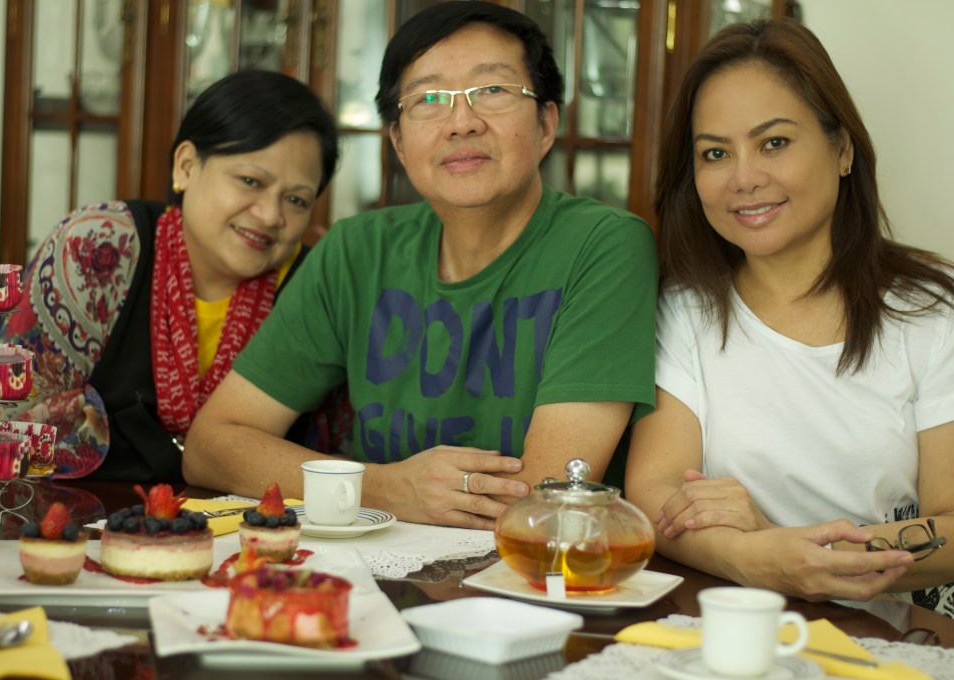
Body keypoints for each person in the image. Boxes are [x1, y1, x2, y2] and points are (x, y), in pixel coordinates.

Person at [183, 1, 658, 529]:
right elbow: (210, 446)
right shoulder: (357, 250)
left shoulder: (604, 246)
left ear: (546, 123)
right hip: (359, 568)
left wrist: (357, 490)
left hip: (527, 582)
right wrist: (382, 486)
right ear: (399, 142)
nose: (462, 122)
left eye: (493, 91)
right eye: (429, 98)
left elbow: (542, 501)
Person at [625, 18, 954, 617]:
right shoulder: (683, 311)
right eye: (715, 153)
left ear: (842, 147)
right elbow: (654, 498)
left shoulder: (933, 311)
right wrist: (758, 555)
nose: (745, 178)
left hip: (887, 640)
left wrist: (789, 546)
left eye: (774, 142)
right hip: (723, 627)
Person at [0, 70, 341, 481]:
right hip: (73, 522)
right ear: (187, 165)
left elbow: (330, 455)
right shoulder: (99, 245)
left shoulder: (316, 284)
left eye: (297, 200)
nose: (270, 215)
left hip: (253, 536)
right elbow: (10, 417)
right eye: (250, 180)